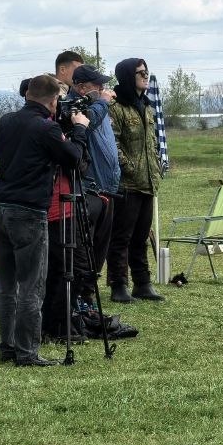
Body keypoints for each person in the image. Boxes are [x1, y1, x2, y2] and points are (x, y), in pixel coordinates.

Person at [0, 75, 90, 366]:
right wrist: (80, 130)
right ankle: (27, 351)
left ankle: (8, 346)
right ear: (52, 100)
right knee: (32, 284)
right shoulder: (46, 128)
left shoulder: (5, 122)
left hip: (1, 208)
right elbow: (73, 158)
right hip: (29, 211)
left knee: (7, 283)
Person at [107, 58, 165, 303]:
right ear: (128, 76)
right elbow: (114, 143)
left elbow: (151, 141)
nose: (145, 75)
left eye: (147, 71)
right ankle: (119, 285)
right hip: (126, 184)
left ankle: (143, 283)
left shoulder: (147, 107)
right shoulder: (116, 107)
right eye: (140, 72)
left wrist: (157, 166)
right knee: (121, 237)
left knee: (141, 236)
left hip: (148, 182)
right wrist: (128, 168)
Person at [69, 64, 119, 304]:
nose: (102, 89)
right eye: (97, 85)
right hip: (87, 188)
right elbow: (87, 123)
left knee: (100, 247)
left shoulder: (97, 105)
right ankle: (80, 295)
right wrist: (102, 102)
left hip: (105, 189)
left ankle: (89, 293)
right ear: (81, 88)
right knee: (85, 248)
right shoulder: (79, 108)